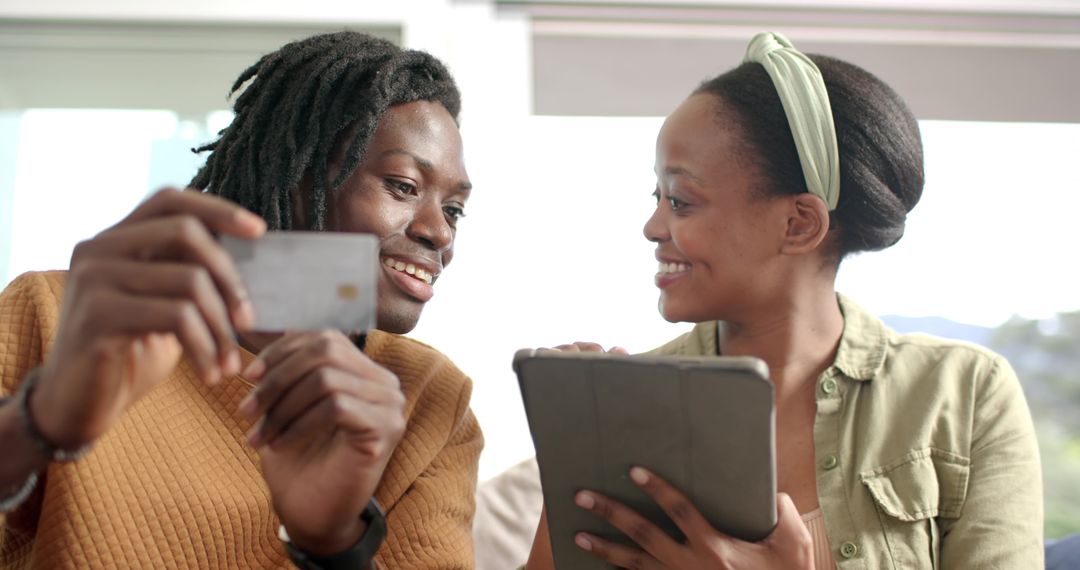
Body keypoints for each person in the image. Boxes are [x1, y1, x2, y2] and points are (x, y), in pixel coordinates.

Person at [521, 32, 1043, 569]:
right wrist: (571, 455)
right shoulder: (622, 404)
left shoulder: (966, 393)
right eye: (657, 197)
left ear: (799, 224)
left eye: (680, 200)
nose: (653, 227)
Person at [0, 31, 481, 569]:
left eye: (455, 210)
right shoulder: (57, 313)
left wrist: (336, 543)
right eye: (403, 185)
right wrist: (38, 424)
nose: (439, 232)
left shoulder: (434, 402)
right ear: (297, 176)